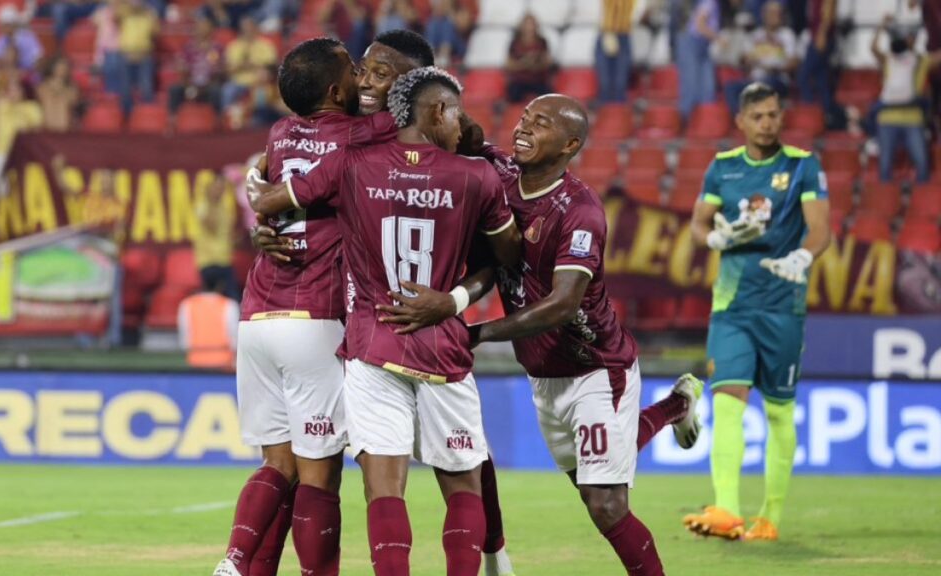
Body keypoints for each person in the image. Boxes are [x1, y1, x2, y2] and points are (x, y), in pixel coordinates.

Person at [377, 94, 705, 576]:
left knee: (606, 504)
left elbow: (562, 303)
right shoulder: (501, 173)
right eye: (526, 118)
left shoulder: (580, 211)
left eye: (542, 124)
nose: (524, 128)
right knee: (596, 477)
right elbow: (465, 131)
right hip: (544, 376)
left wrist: (476, 332)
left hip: (596, 368)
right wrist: (444, 113)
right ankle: (676, 405)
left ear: (570, 144)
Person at [251, 29, 520, 576]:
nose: (366, 81)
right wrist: (265, 219)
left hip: (375, 338)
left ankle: (495, 552)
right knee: (461, 467)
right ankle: (491, 558)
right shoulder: (469, 167)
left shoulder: (360, 158)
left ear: (413, 86)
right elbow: (509, 254)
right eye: (363, 69)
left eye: (379, 72)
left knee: (388, 480)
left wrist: (265, 206)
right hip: (434, 338)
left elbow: (275, 189)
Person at [212, 37, 392, 576]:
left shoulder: (280, 133)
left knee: (277, 464)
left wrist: (255, 194)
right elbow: (413, 110)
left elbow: (262, 177)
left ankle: (237, 563)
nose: (364, 76)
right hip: (316, 315)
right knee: (318, 477)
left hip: (258, 314)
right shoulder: (363, 135)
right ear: (337, 91)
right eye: (353, 70)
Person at [683, 82, 831, 541]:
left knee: (779, 414)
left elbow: (820, 229)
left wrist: (803, 257)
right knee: (727, 400)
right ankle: (727, 509)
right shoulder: (723, 169)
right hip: (732, 307)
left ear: (780, 117)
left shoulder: (802, 165)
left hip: (784, 307)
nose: (767, 122)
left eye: (773, 114)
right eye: (759, 116)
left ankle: (770, 517)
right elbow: (697, 224)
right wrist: (715, 240)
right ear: (741, 122)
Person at [870, 15, 941, 183]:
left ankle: (920, 202)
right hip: (887, 119)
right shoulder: (889, 59)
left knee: (922, 163)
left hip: (912, 119)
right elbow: (873, 49)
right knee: (885, 167)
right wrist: (881, 25)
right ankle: (886, 203)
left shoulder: (920, 60)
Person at [0, 77, 43, 196]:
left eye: (15, 89)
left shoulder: (32, 108)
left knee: (18, 192)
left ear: (23, 91)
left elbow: (38, 133)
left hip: (22, 157)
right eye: (9, 90)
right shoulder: (0, 105)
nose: (12, 93)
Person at [178, 276, 239, 370]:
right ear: (220, 286)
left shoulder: (187, 304)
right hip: (224, 363)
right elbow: (234, 338)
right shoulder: (230, 305)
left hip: (196, 362)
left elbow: (185, 339)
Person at [221, 16, 278, 114]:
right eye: (245, 29)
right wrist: (242, 66)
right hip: (238, 82)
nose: (248, 31)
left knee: (263, 94)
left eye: (250, 28)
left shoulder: (266, 45)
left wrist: (253, 65)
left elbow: (271, 67)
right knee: (227, 90)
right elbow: (228, 69)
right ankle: (227, 120)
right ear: (241, 31)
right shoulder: (233, 46)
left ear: (255, 29)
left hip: (259, 83)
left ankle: (258, 122)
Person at [169, 17, 224, 113]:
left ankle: (217, 121)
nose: (202, 30)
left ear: (211, 30)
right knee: (175, 89)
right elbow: (181, 67)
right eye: (199, 28)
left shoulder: (216, 48)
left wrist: (206, 85)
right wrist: (189, 84)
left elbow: (219, 70)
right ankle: (173, 120)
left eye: (205, 27)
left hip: (208, 85)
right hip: (190, 84)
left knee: (216, 91)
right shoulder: (188, 48)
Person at [677, 0, 720, 118]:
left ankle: (705, 123)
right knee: (691, 86)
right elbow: (699, 25)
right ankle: (685, 121)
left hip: (703, 45)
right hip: (692, 42)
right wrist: (718, 38)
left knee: (707, 87)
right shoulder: (709, 2)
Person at [115, 0, 159, 113]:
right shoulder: (124, 14)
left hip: (144, 57)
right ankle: (126, 118)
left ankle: (147, 116)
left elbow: (157, 32)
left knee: (147, 88)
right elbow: (115, 16)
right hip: (126, 56)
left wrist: (150, 15)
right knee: (125, 90)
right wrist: (127, 8)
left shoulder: (149, 14)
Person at [505, 14, 553, 103]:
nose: (529, 27)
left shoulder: (542, 41)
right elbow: (509, 64)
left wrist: (536, 63)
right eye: (527, 24)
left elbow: (548, 61)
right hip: (519, 81)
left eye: (531, 24)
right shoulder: (515, 42)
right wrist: (524, 63)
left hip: (538, 80)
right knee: (513, 95)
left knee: (549, 97)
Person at [595, 0, 635, 105]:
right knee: (605, 84)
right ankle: (606, 117)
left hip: (623, 33)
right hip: (606, 32)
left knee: (620, 84)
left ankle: (619, 117)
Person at [0, 4, 43, 75]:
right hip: (6, 73)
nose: (4, 28)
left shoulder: (28, 37)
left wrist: (25, 72)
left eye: (7, 25)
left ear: (14, 24)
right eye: (3, 25)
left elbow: (38, 59)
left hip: (27, 73)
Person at [37, 56, 80, 132]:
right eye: (60, 65)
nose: (62, 68)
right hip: (46, 129)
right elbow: (42, 97)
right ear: (52, 67)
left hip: (65, 130)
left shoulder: (72, 89)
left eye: (64, 66)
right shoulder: (42, 87)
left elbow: (73, 101)